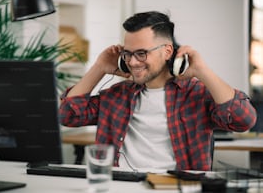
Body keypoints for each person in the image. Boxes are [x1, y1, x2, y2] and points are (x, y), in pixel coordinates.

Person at [59, 11, 257, 171]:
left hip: (173, 187)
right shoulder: (116, 94)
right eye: (127, 54)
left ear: (167, 51)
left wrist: (202, 71)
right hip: (120, 186)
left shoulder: (196, 94)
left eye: (141, 53)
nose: (133, 62)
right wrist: (99, 67)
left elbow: (243, 120)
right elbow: (67, 115)